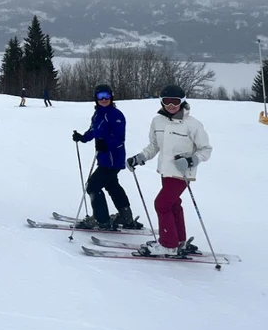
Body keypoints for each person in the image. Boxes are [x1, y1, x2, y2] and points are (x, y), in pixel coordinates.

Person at [127, 84, 212, 257]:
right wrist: (140, 157)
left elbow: (205, 149)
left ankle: (168, 244)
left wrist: (191, 160)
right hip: (165, 171)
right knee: (173, 205)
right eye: (167, 101)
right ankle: (179, 240)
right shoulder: (158, 121)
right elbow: (154, 145)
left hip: (182, 174)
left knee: (162, 204)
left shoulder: (193, 124)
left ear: (182, 101)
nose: (171, 105)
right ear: (161, 102)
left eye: (175, 101)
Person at [71, 84, 143, 230]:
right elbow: (93, 130)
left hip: (113, 159)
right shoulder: (98, 114)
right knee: (112, 185)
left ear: (111, 97)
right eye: (100, 96)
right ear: (96, 98)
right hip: (104, 158)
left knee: (92, 186)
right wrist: (82, 138)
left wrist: (106, 144)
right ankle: (126, 217)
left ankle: (101, 219)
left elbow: (119, 137)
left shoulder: (116, 115)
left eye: (107, 96)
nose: (104, 99)